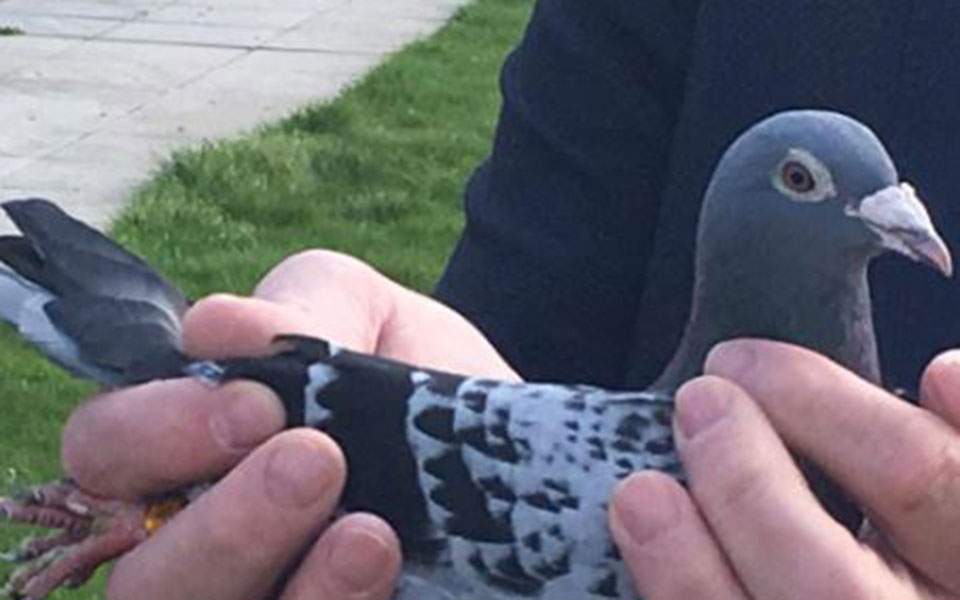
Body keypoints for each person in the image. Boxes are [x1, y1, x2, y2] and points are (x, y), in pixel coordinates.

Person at [60, 1, 960, 599]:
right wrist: (182, 491)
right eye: (806, 185)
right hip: (367, 469)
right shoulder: (651, 481)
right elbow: (523, 322)